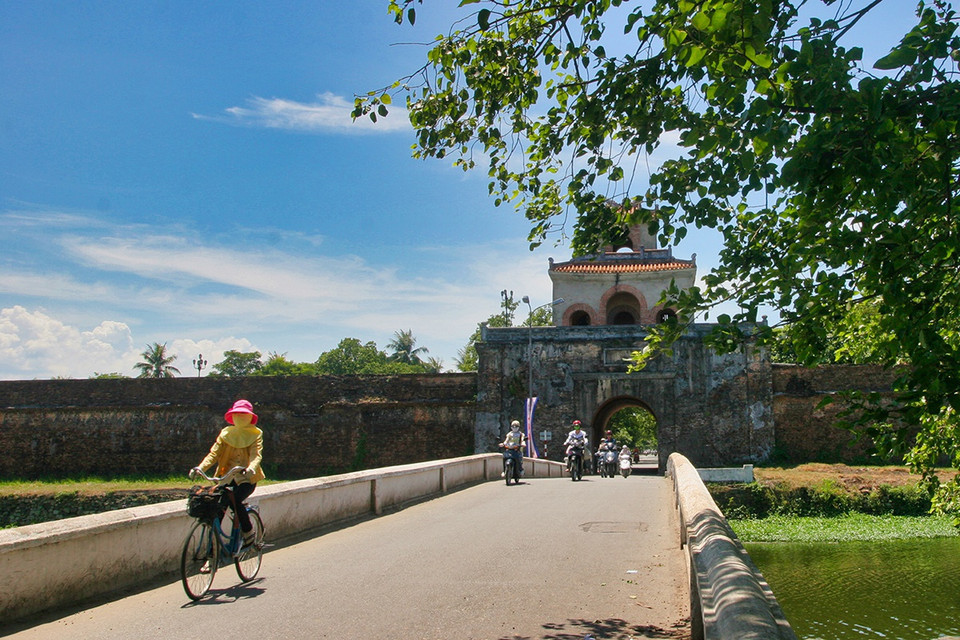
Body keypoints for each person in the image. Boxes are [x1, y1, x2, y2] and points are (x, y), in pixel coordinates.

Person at [192, 399, 265, 548]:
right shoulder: (225, 434)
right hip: (226, 477)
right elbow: (214, 454)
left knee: (235, 501)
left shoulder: (256, 434)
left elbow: (256, 454)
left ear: (250, 416)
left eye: (243, 414)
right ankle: (211, 554)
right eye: (237, 414)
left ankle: (248, 532)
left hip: (246, 478)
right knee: (216, 511)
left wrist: (251, 467)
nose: (240, 417)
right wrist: (200, 468)